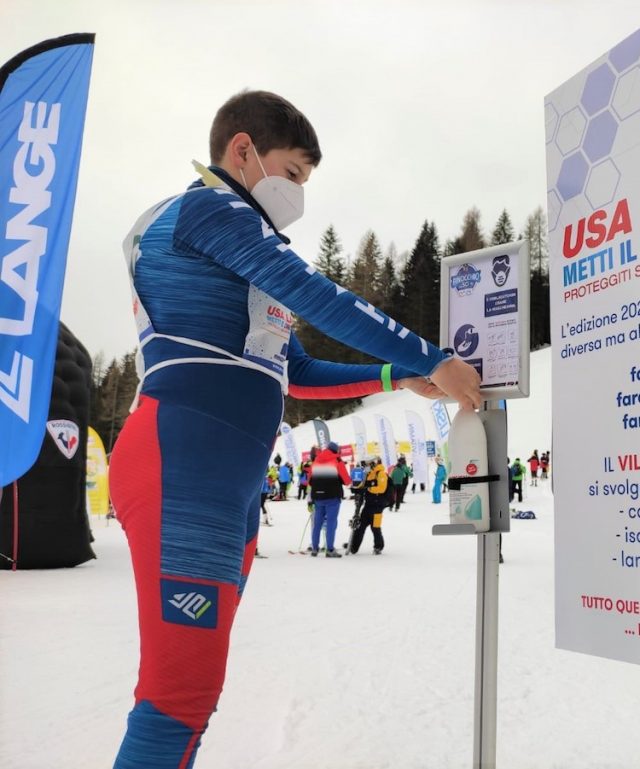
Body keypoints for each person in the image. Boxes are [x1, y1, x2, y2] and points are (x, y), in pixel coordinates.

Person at [107, 89, 481, 769]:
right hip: (184, 462)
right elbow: (316, 293)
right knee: (176, 698)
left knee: (193, 695)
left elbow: (296, 371)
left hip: (225, 481)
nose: (298, 193)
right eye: (293, 172)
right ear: (243, 150)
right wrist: (433, 357)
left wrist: (396, 375)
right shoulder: (207, 209)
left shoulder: (241, 255)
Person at [308, 442, 350, 557]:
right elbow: (346, 480)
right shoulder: (337, 461)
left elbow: (310, 481)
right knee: (331, 523)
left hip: (318, 497)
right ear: (336, 450)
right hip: (332, 497)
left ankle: (314, 548)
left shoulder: (315, 461)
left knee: (317, 523)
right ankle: (330, 549)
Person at [349, 456, 388, 554]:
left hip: (377, 506)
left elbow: (382, 488)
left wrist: (369, 489)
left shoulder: (381, 473)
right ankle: (353, 546)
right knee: (360, 526)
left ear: (373, 464)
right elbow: (363, 485)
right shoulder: (369, 474)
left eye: (367, 464)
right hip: (368, 505)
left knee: (375, 528)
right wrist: (356, 489)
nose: (366, 467)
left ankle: (378, 547)